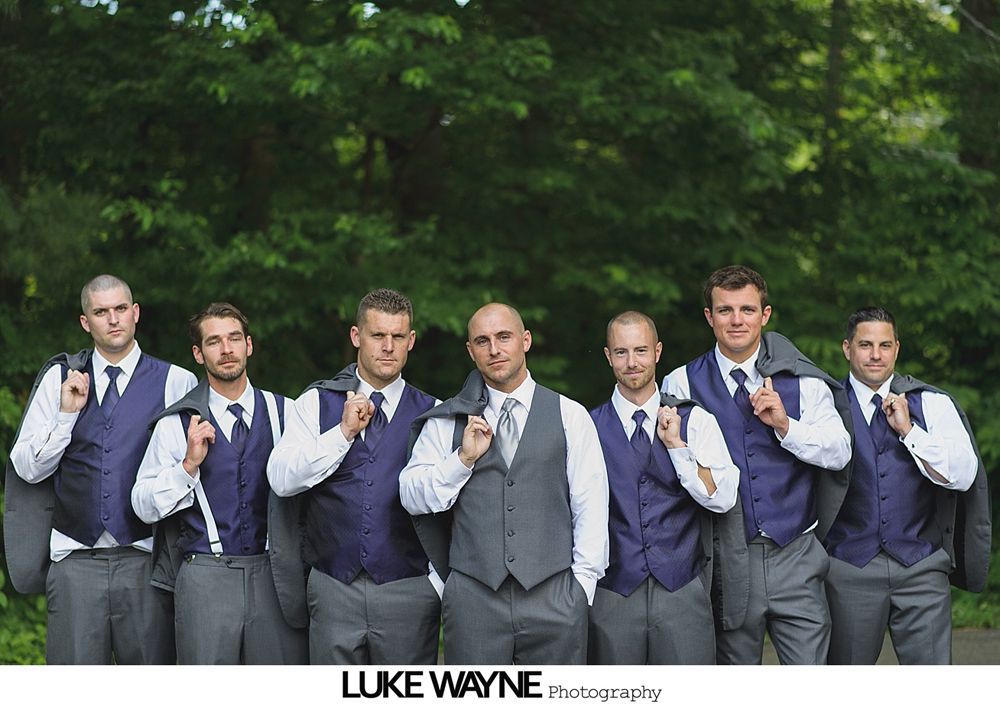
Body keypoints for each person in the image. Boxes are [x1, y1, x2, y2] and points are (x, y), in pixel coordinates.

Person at [662, 265, 852, 665]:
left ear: (764, 316)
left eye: (747, 310)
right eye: (725, 310)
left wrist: (785, 425)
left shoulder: (804, 381)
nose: (736, 320)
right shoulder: (680, 383)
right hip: (727, 558)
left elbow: (840, 452)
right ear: (709, 317)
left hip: (796, 553)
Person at [400, 302, 609, 665]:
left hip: (555, 597)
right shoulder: (448, 421)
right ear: (470, 351)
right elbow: (411, 496)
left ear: (525, 340)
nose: (494, 349)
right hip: (473, 601)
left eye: (504, 337)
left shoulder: (569, 414)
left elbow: (590, 504)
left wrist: (580, 589)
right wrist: (462, 460)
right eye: (482, 341)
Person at [5, 274, 196, 664]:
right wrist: (65, 415)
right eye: (101, 312)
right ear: (85, 322)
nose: (113, 320)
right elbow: (27, 469)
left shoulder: (176, 381)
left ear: (136, 313)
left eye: (121, 309)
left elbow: (192, 476)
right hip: (75, 563)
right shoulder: (59, 380)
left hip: (147, 561)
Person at [266, 288, 441, 665]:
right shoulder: (315, 403)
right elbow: (281, 479)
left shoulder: (434, 413)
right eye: (378, 335)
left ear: (411, 341)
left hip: (408, 589)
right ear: (356, 336)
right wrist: (342, 434)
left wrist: (435, 585)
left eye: (398, 337)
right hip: (333, 587)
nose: (388, 346)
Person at [131, 302, 308, 664]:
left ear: (249, 345)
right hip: (205, 576)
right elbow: (141, 503)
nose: (226, 349)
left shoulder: (288, 412)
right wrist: (187, 466)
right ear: (198, 353)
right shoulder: (175, 424)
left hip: (274, 574)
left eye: (234, 338)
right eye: (214, 342)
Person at [823, 307, 990, 664]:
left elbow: (963, 474)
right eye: (865, 344)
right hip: (848, 568)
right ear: (847, 348)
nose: (875, 355)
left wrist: (910, 432)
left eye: (884, 345)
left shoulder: (931, 404)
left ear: (897, 348)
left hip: (921, 566)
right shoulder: (823, 404)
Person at [588, 311, 739, 664]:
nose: (632, 362)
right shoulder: (585, 425)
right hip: (612, 591)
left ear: (657, 352)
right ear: (608, 357)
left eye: (640, 350)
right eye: (621, 352)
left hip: (682, 589)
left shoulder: (696, 420)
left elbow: (723, 497)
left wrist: (677, 447)